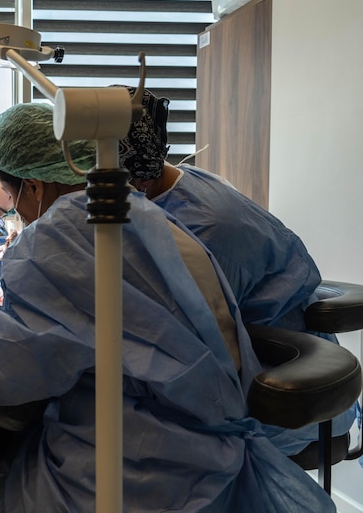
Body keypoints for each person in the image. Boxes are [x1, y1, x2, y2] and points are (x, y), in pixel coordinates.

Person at [0, 103, 335, 512]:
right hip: (209, 460)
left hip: (132, 475)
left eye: (11, 202)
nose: (14, 215)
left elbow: (0, 375)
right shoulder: (149, 214)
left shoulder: (56, 241)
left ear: (34, 186)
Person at [118, 86, 355, 455]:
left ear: (136, 180)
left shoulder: (205, 232)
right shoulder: (184, 182)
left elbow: (188, 342)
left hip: (276, 392)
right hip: (269, 357)